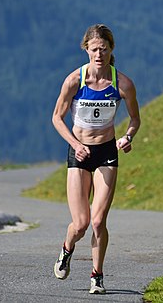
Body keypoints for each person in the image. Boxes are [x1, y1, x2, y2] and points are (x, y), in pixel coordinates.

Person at [52, 24, 141, 294]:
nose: (99, 54)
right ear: (86, 50)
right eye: (94, 49)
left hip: (106, 153)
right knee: (80, 224)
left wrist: (127, 136)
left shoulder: (122, 83)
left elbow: (135, 119)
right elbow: (57, 117)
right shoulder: (74, 81)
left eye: (104, 49)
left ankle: (97, 276)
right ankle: (67, 249)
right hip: (79, 154)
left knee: (99, 221)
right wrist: (75, 144)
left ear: (111, 50)